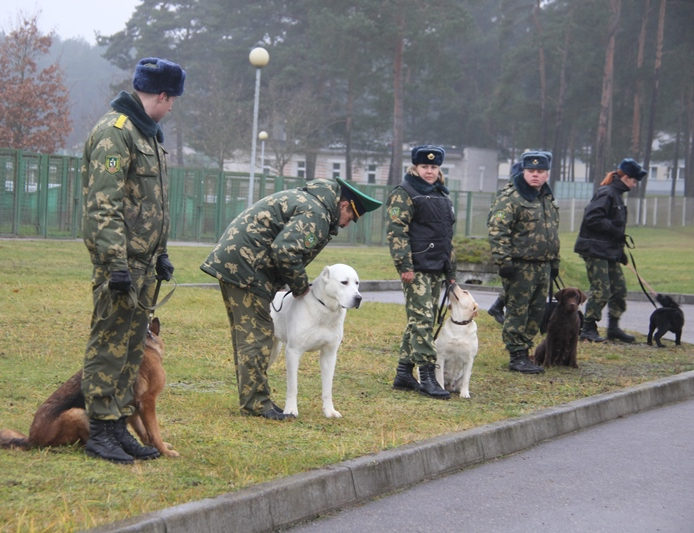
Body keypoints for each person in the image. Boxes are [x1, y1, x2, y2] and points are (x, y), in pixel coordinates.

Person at [200, 178, 382, 420]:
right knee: (256, 335)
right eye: (351, 218)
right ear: (345, 206)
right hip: (245, 268)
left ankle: (257, 398)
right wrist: (299, 288)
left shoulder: (314, 202)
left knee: (255, 333)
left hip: (243, 264)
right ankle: (256, 403)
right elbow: (285, 251)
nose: (347, 224)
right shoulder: (317, 212)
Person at [80, 57, 185, 463]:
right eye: (172, 99)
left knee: (130, 348)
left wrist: (160, 255)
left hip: (142, 265)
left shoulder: (147, 137)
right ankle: (100, 430)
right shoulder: (115, 134)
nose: (172, 107)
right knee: (108, 345)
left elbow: (149, 206)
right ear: (160, 95)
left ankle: (119, 424)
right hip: (120, 265)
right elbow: (103, 205)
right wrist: (115, 262)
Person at [388, 145, 455, 400]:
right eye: (425, 166)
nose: (430, 171)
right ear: (414, 167)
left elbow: (448, 237)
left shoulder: (442, 196)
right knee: (423, 320)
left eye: (434, 167)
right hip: (415, 269)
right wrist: (404, 266)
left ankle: (404, 373)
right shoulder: (404, 193)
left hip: (437, 267)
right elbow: (397, 232)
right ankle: (428, 377)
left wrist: (450, 271)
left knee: (419, 320)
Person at [488, 151, 560, 374]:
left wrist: (555, 262)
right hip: (520, 266)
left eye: (540, 172)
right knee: (518, 311)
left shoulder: (546, 198)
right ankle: (516, 355)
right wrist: (503, 261)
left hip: (543, 265)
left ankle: (526, 351)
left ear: (547, 174)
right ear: (524, 171)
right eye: (531, 171)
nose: (535, 176)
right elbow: (497, 230)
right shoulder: (510, 197)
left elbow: (552, 233)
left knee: (537, 312)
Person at [574, 158, 647, 343]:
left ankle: (613, 328)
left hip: (608, 251)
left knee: (619, 289)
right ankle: (587, 329)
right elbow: (592, 218)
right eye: (634, 180)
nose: (635, 184)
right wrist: (615, 232)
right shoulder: (607, 193)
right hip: (594, 249)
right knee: (601, 290)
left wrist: (619, 250)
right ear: (626, 178)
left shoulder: (617, 195)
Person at [487, 160, 525, 325]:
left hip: (521, 249)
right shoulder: (508, 195)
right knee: (515, 286)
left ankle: (498, 307)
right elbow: (497, 226)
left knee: (518, 285)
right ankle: (508, 317)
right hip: (510, 248)